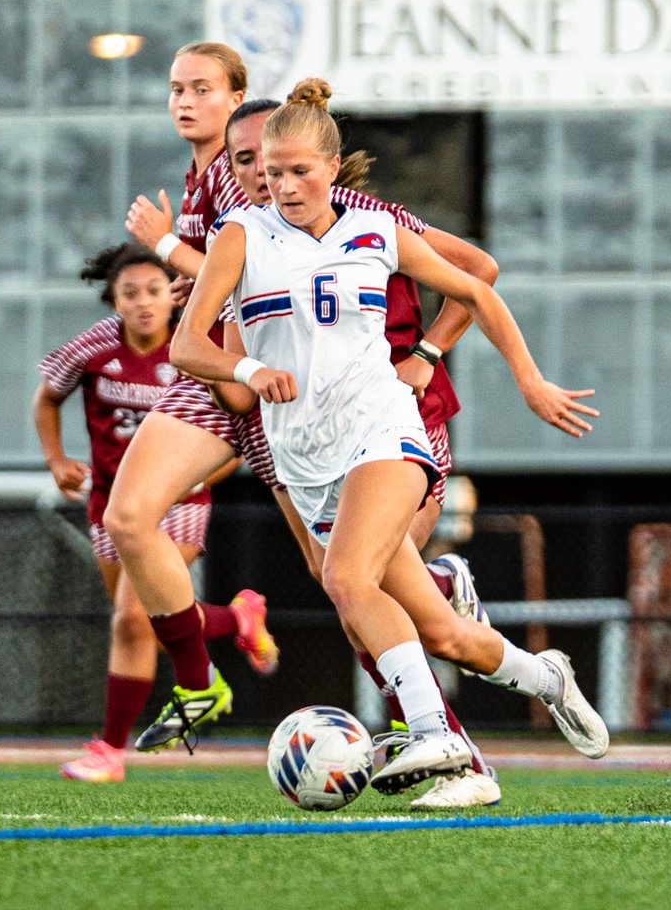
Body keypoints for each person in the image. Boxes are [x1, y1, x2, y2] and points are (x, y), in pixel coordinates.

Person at [168, 77, 610, 796]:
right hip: (303, 457)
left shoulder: (373, 229)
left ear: (333, 169)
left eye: (297, 171)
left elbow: (475, 287)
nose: (280, 184)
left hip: (383, 431)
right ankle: (546, 676)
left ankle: (437, 738)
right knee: (442, 634)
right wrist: (248, 364)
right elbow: (188, 344)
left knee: (346, 580)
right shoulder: (240, 236)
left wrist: (527, 380)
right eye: (268, 171)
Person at [112, 46, 506, 805]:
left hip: (334, 406)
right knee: (130, 516)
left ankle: (450, 747)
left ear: (244, 104)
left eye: (203, 89)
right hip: (249, 380)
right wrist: (232, 353)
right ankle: (199, 684)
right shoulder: (210, 183)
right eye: (176, 89)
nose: (185, 101)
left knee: (355, 594)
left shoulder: (344, 207)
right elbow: (223, 286)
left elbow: (476, 275)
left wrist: (427, 353)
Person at [33, 243, 278, 783]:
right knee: (142, 624)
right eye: (130, 293)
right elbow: (46, 396)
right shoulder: (97, 345)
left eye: (155, 291)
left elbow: (232, 434)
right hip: (109, 503)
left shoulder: (194, 348)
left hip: (181, 503)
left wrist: (192, 477)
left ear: (176, 295)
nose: (144, 303)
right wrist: (56, 460)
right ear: (114, 301)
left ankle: (109, 751)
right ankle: (238, 617)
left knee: (132, 618)